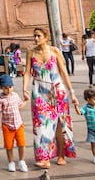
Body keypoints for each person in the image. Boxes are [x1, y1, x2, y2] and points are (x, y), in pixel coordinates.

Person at [22, 27, 78, 169]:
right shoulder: (31, 53)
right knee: (41, 125)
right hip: (39, 92)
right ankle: (43, 157)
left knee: (60, 124)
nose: (36, 38)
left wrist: (71, 92)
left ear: (46, 37)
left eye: (38, 36)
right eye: (34, 36)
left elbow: (63, 72)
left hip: (57, 91)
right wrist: (25, 88)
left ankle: (61, 154)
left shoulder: (55, 51)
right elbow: (27, 72)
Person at [0, 74, 29, 173]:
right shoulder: (0, 99)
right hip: (7, 125)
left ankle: (21, 161)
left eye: (10, 87)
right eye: (5, 88)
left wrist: (26, 101)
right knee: (9, 146)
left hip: (18, 124)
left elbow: (20, 106)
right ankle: (11, 162)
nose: (8, 90)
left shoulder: (15, 95)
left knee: (22, 144)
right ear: (1, 88)